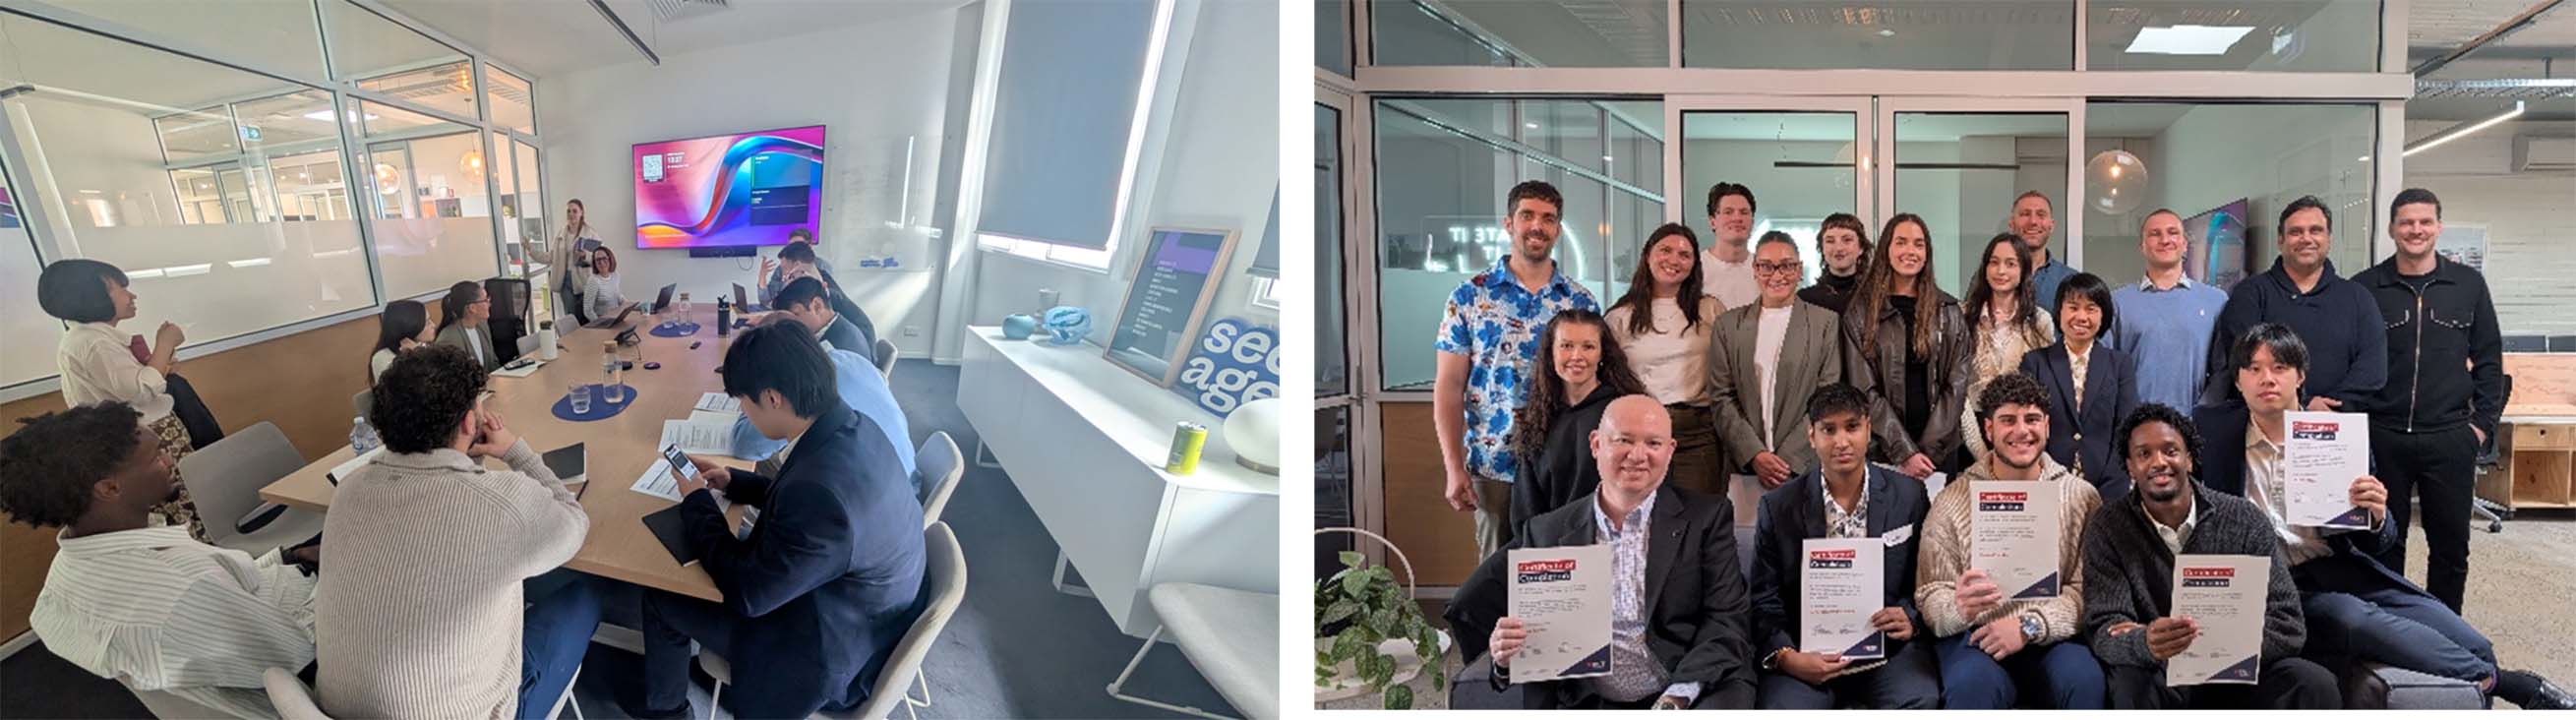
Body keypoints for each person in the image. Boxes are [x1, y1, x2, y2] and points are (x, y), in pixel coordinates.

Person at [2193, 325, 2573, 710]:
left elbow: (2381, 540)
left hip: (2341, 567)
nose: (2266, 379)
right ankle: (2509, 684)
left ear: (2300, 375)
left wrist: (2375, 515)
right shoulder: (2213, 433)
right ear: (2238, 380)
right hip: (2277, 586)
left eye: (2278, 367)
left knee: (2477, 645)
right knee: (2350, 617)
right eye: (2253, 369)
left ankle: (2486, 674)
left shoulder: (2340, 437)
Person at [630, 324, 928, 718]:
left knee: (661, 595)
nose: (742, 413)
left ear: (772, 399)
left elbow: (748, 593)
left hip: (822, 649)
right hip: (860, 605)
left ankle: (667, 712)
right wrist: (735, 480)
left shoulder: (820, 497)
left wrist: (697, 500)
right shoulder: (852, 425)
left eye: (744, 403)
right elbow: (803, 496)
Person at [317, 345, 597, 719]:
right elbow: (574, 521)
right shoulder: (501, 505)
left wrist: (466, 459)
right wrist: (516, 451)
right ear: (469, 423)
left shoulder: (348, 489)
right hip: (464, 712)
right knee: (585, 595)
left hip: (338, 708)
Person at [4, 402, 322, 718]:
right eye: (156, 456)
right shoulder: (183, 589)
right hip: (308, 671)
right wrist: (342, 574)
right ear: (110, 488)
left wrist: (288, 556)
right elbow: (302, 656)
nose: (170, 460)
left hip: (256, 623)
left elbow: (228, 587)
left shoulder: (63, 576)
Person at [1447, 394, 1757, 709]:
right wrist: (1505, 657)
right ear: (1596, 444)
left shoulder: (1707, 518)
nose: (1638, 455)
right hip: (1591, 699)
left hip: (1691, 688)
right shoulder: (1547, 533)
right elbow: (1534, 650)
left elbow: (1726, 619)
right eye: (1624, 440)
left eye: (1653, 443)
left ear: (1670, 451)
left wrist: (1676, 698)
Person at [2081, 403, 2338, 709]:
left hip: (2238, 670)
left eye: (2170, 450)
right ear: (2130, 467)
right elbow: (2105, 628)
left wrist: (2215, 644)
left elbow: (2288, 625)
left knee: (2312, 681)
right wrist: (2145, 641)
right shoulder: (2109, 526)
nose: (2158, 462)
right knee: (2130, 681)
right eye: (2144, 454)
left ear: (2189, 459)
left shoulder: (2244, 518)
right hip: (2162, 670)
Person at [2351, 188, 2502, 615]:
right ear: (2392, 229)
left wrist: (2480, 426)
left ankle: (2445, 633)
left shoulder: (2467, 285)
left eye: (2424, 222)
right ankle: (2390, 633)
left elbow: (2490, 359)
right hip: (2383, 435)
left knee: (2451, 547)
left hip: (2450, 436)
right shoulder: (2367, 287)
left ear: (2438, 226)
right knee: (2382, 544)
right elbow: (2353, 360)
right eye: (2406, 222)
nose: (2415, 230)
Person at [1915, 373, 2106, 709]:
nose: (2021, 431)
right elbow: (1930, 592)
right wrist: (1957, 608)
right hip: (1977, 636)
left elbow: (2087, 591)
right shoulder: (1951, 500)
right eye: (2007, 420)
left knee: (2083, 679)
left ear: (2047, 426)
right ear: (1988, 430)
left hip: (2049, 634)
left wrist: (2029, 625)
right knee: (1970, 686)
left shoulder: (2082, 497)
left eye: (2032, 419)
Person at [1434, 180, 1599, 557]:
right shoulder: (1470, 296)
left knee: (1562, 573)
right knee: (1496, 577)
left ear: (1558, 229)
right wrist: (1453, 467)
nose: (1537, 226)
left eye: (1548, 218)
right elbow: (1449, 385)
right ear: (1509, 223)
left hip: (1563, 463)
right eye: (1527, 215)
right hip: (1495, 465)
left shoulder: (1579, 300)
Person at [1748, 384, 1938, 709]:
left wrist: (1909, 616)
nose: (1841, 442)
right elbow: (1764, 597)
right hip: (1806, 652)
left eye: (1852, 427)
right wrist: (1786, 657)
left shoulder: (1909, 495)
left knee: (1920, 698)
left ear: (1868, 428)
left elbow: (1926, 579)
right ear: (1811, 436)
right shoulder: (1778, 507)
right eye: (1828, 430)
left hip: (1886, 651)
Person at [37, 259, 205, 541]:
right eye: (122, 289)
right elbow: (137, 391)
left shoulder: (92, 338)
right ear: (91, 297)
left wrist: (159, 366)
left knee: (189, 497)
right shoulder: (93, 342)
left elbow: (133, 385)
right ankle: (202, 555)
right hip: (142, 438)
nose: (132, 296)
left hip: (147, 434)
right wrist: (165, 343)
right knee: (177, 505)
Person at [2200, 196, 2385, 408]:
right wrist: (2302, 404)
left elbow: (2373, 368)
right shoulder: (2250, 294)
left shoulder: (2357, 297)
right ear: (2281, 240)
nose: (2306, 239)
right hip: (2265, 423)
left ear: (2329, 238)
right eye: (2296, 232)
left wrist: (2331, 406)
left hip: (2337, 426)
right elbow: (2245, 361)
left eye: (2315, 230)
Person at [1840, 213, 1971, 480]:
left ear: (1927, 254)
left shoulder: (1949, 311)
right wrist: (1903, 452)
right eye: (1901, 242)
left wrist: (1927, 452)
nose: (1910, 251)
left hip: (1939, 454)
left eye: (1918, 244)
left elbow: (1956, 386)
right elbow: (1863, 389)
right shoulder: (1860, 312)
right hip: (1882, 450)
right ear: (1887, 249)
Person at [1710, 232, 1844, 489]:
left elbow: (1827, 396)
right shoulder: (1728, 325)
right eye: (1766, 266)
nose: (1777, 274)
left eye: (1787, 265)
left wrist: (1787, 459)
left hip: (1805, 462)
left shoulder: (1824, 323)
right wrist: (1755, 454)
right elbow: (1721, 396)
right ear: (1755, 270)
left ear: (1799, 269)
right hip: (1745, 465)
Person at [1602, 222, 1721, 494]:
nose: (1673, 260)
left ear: (1694, 264)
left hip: (1697, 433)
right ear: (1648, 256)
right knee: (1642, 517)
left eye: (1684, 254)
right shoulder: (1620, 316)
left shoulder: (1710, 309)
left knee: (1696, 519)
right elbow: (1609, 380)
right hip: (1639, 434)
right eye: (1665, 250)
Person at [730, 314, 917, 480]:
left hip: (877, 496)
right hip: (898, 480)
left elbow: (745, 447)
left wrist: (751, 388)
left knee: (755, 458)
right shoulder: (848, 358)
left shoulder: (800, 393)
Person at [1510, 309, 1647, 528]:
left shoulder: (1626, 412)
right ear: (1551, 353)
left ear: (1602, 354)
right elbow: (1526, 508)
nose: (1577, 356)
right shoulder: (1536, 420)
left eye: (1588, 347)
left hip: (1616, 541)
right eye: (1566, 346)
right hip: (1554, 545)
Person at [2018, 272, 2139, 496]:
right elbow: (2026, 427)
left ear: (2103, 316)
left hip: (2108, 484)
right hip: (2046, 482)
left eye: (2091, 309)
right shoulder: (2034, 363)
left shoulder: (2119, 364)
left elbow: (2126, 426)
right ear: (2060, 311)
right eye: (2073, 307)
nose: (2081, 317)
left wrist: (2114, 477)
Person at [2109, 209, 2228, 412]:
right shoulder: (2117, 302)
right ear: (2142, 247)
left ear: (2184, 245)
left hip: (2195, 427)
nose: (2165, 240)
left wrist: (2204, 414)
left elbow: (2223, 370)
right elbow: (2107, 371)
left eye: (2173, 233)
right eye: (2155, 234)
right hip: (2134, 427)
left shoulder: (2216, 301)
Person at [1961, 233, 2057, 465]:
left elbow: (2045, 388)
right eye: (1994, 262)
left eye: (2010, 263)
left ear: (2024, 270)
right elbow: (1956, 389)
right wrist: (1982, 453)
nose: (2000, 271)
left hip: (2021, 434)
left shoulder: (2039, 321)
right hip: (1970, 430)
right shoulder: (1963, 316)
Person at [762, 239, 877, 349]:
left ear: (797, 266)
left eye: (785, 272)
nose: (785, 278)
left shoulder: (825, 293)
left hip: (857, 349)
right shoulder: (818, 284)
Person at [1699, 182, 1761, 309]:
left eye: (1744, 212)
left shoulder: (1764, 269)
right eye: (1728, 212)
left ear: (1752, 221)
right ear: (1713, 221)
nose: (1737, 218)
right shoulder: (1696, 269)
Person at [2010, 192, 2075, 313]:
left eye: (2041, 215)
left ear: (2051, 226)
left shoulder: (2071, 280)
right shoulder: (1993, 276)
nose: (2033, 221)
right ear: (2012, 224)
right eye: (2025, 214)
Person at [1796, 213, 1873, 315]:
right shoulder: (1805, 299)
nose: (1838, 248)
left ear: (1861, 248)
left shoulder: (1876, 297)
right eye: (1830, 241)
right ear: (1822, 249)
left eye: (1847, 240)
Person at [775, 276, 872, 355]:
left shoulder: (831, 350)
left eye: (796, 314)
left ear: (817, 306)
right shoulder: (842, 326)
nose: (790, 324)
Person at [433, 280, 506, 372]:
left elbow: (493, 363)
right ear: (472, 308)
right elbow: (454, 380)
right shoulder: (449, 339)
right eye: (485, 300)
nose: (489, 304)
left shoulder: (482, 325)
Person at [550, 200, 604, 322]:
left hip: (583, 281)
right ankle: (571, 341)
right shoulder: (561, 233)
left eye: (575, 211)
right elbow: (551, 256)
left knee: (585, 317)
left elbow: (601, 256)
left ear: (581, 213)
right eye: (568, 211)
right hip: (565, 281)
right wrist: (531, 251)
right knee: (570, 318)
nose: (571, 214)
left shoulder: (590, 233)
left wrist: (586, 255)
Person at [757, 229, 836, 302]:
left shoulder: (822, 267)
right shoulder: (782, 268)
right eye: (790, 246)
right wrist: (762, 275)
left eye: (798, 246)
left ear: (809, 246)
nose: (792, 249)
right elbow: (765, 299)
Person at [368, 299, 434, 383]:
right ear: (410, 327)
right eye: (427, 323)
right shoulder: (383, 358)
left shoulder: (423, 346)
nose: (433, 325)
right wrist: (418, 356)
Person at [581, 246, 629, 323]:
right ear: (594, 263)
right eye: (598, 260)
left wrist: (629, 306)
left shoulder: (615, 275)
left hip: (616, 318)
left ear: (610, 259)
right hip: (603, 322)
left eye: (604, 258)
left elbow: (618, 296)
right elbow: (588, 310)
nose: (601, 262)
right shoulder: (593, 281)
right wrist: (600, 323)